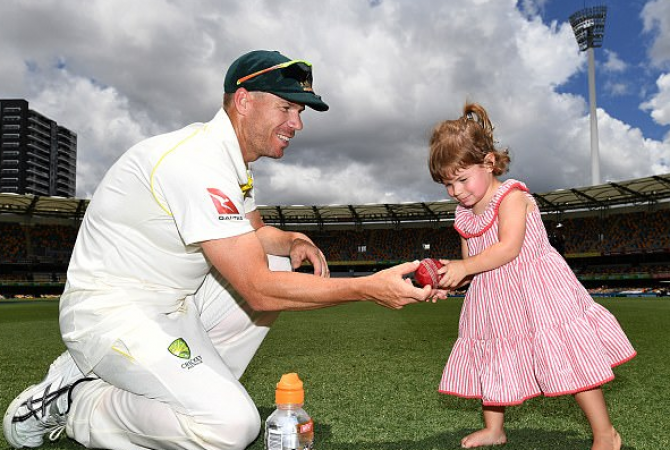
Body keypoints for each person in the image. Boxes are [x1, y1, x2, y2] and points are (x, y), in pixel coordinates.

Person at [3, 50, 433, 450]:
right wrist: (365, 288)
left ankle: (178, 394)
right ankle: (74, 403)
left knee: (278, 259)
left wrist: (292, 240)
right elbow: (260, 290)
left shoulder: (229, 162)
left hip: (175, 306)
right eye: (286, 108)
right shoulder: (196, 163)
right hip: (111, 315)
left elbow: (254, 232)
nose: (297, 124)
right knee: (231, 428)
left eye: (299, 112)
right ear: (243, 101)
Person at [427, 103, 636, 450]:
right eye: (447, 184)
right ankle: (494, 429)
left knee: (568, 355)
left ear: (489, 163)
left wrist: (465, 267)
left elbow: (508, 248)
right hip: (493, 298)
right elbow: (473, 264)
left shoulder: (511, 196)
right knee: (492, 358)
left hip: (538, 292)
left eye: (462, 179)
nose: (456, 191)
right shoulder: (463, 215)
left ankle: (605, 433)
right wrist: (449, 279)